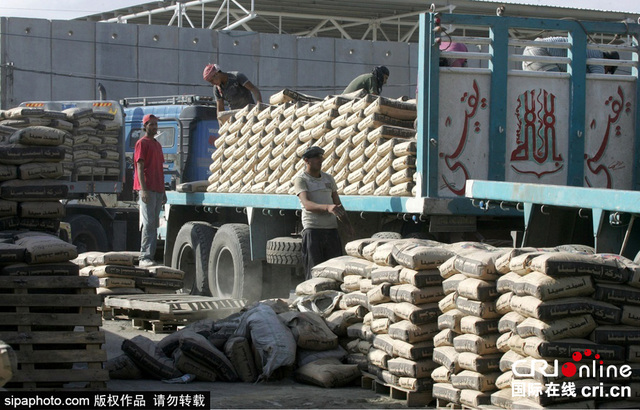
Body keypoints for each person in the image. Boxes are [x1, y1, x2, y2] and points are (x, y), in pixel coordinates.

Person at [294, 146, 351, 279]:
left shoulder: (328, 179)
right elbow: (307, 204)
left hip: (331, 231)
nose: (320, 160)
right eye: (316, 158)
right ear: (307, 161)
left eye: (321, 157)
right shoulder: (301, 180)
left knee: (334, 273)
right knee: (315, 273)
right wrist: (327, 207)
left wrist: (348, 224)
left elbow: (338, 204)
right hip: (313, 231)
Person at [134, 114, 166, 268]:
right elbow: (139, 167)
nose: (154, 127)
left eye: (155, 124)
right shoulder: (142, 143)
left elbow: (160, 168)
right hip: (147, 189)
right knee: (147, 224)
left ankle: (150, 256)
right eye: (151, 124)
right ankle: (144, 257)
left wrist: (164, 191)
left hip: (158, 189)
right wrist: (143, 189)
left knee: (154, 224)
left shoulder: (157, 145)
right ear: (145, 126)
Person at [522, 36, 619, 74]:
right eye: (608, 69)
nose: (606, 72)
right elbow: (598, 81)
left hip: (534, 49)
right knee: (558, 86)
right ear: (607, 59)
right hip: (540, 52)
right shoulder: (598, 57)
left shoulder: (590, 51)